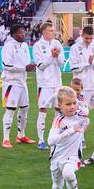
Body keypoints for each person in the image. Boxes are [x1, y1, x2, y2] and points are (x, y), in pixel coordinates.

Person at [48, 86, 89, 189]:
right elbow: (51, 141)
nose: (72, 106)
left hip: (73, 155)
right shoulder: (58, 120)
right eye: (68, 104)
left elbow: (86, 118)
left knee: (68, 173)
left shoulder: (82, 113)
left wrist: (82, 126)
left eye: (74, 103)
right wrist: (72, 130)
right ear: (59, 106)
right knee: (56, 187)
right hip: (56, 157)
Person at [1, 23, 37, 148]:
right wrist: (24, 68)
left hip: (22, 81)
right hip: (10, 82)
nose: (23, 34)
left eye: (23, 32)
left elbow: (27, 64)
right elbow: (6, 65)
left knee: (25, 108)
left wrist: (31, 67)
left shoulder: (25, 45)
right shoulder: (8, 46)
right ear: (13, 34)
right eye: (20, 32)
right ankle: (5, 138)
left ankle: (21, 135)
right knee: (10, 109)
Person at [69, 26, 94, 136]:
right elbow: (73, 67)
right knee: (81, 113)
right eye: (86, 38)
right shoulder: (75, 48)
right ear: (82, 35)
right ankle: (80, 138)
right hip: (80, 87)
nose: (89, 40)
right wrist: (88, 63)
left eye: (91, 38)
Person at [33, 22, 65, 150]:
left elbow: (62, 63)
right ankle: (41, 140)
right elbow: (40, 66)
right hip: (44, 84)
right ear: (44, 32)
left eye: (53, 30)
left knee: (58, 110)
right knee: (43, 109)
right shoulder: (37, 46)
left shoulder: (57, 43)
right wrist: (52, 57)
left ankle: (56, 138)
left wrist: (56, 57)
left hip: (57, 83)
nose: (53, 32)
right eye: (51, 30)